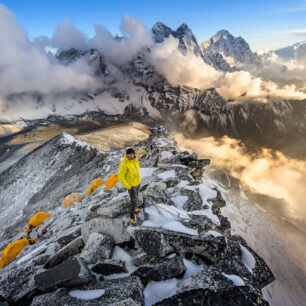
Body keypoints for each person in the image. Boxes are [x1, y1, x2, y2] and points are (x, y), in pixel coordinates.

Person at [118, 148, 142, 224]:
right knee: (133, 201)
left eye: (131, 154)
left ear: (134, 154)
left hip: (138, 183)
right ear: (126, 154)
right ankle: (132, 216)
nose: (130, 155)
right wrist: (128, 186)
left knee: (136, 197)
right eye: (128, 154)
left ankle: (135, 209)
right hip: (131, 186)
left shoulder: (136, 161)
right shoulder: (123, 164)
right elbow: (121, 178)